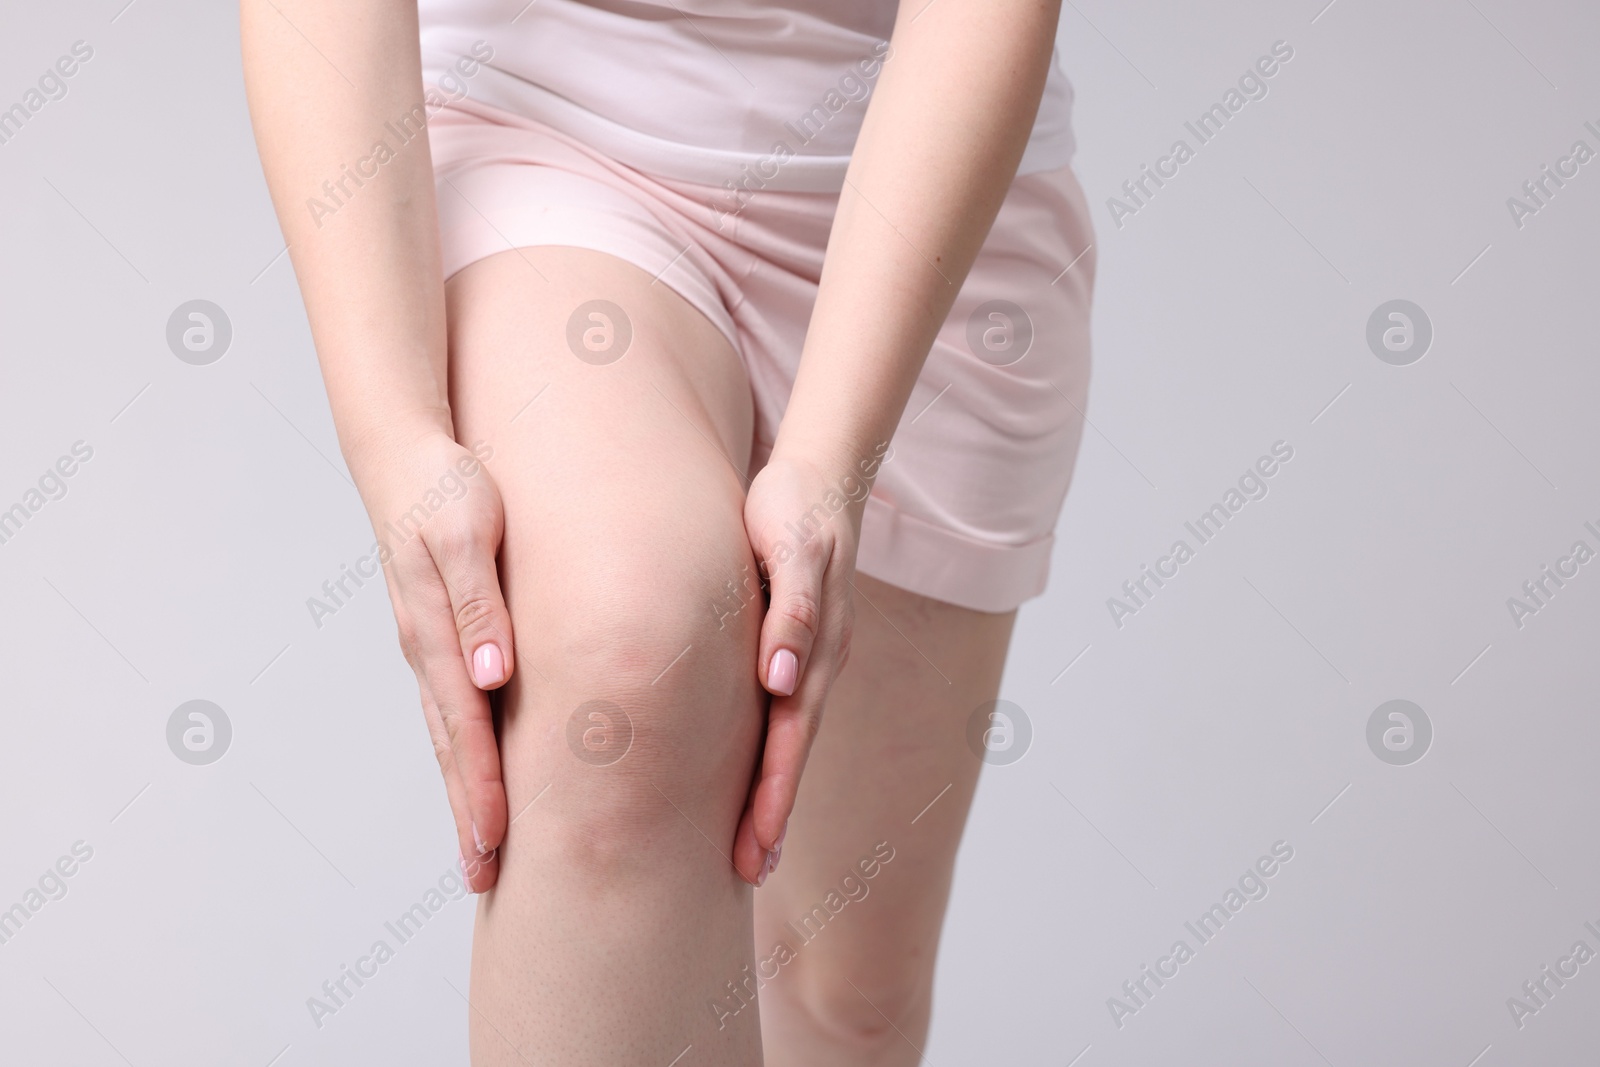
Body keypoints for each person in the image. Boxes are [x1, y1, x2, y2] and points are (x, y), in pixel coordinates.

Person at [241, 1, 1093, 1063]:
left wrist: (832, 462)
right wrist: (394, 434)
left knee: (847, 990)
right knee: (624, 660)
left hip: (925, 178)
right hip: (550, 122)